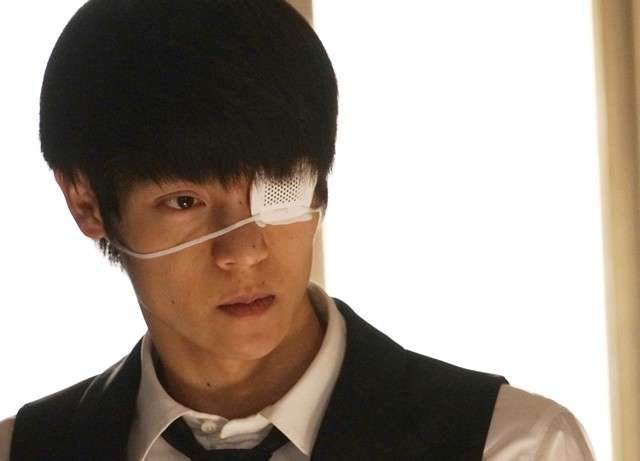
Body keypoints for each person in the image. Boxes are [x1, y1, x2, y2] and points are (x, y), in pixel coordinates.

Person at [0, 0, 597, 459]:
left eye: (278, 189)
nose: (244, 250)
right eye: (184, 201)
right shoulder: (21, 452)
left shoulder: (509, 446)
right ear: (85, 201)